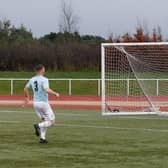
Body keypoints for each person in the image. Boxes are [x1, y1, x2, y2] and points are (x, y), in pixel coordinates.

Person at [24, 64, 59, 144]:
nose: (44, 70)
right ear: (42, 70)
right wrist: (55, 93)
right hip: (43, 103)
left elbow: (25, 88)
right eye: (44, 69)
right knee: (51, 122)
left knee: (45, 121)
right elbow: (47, 90)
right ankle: (38, 126)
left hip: (35, 104)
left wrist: (27, 98)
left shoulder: (32, 79)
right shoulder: (44, 79)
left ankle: (42, 138)